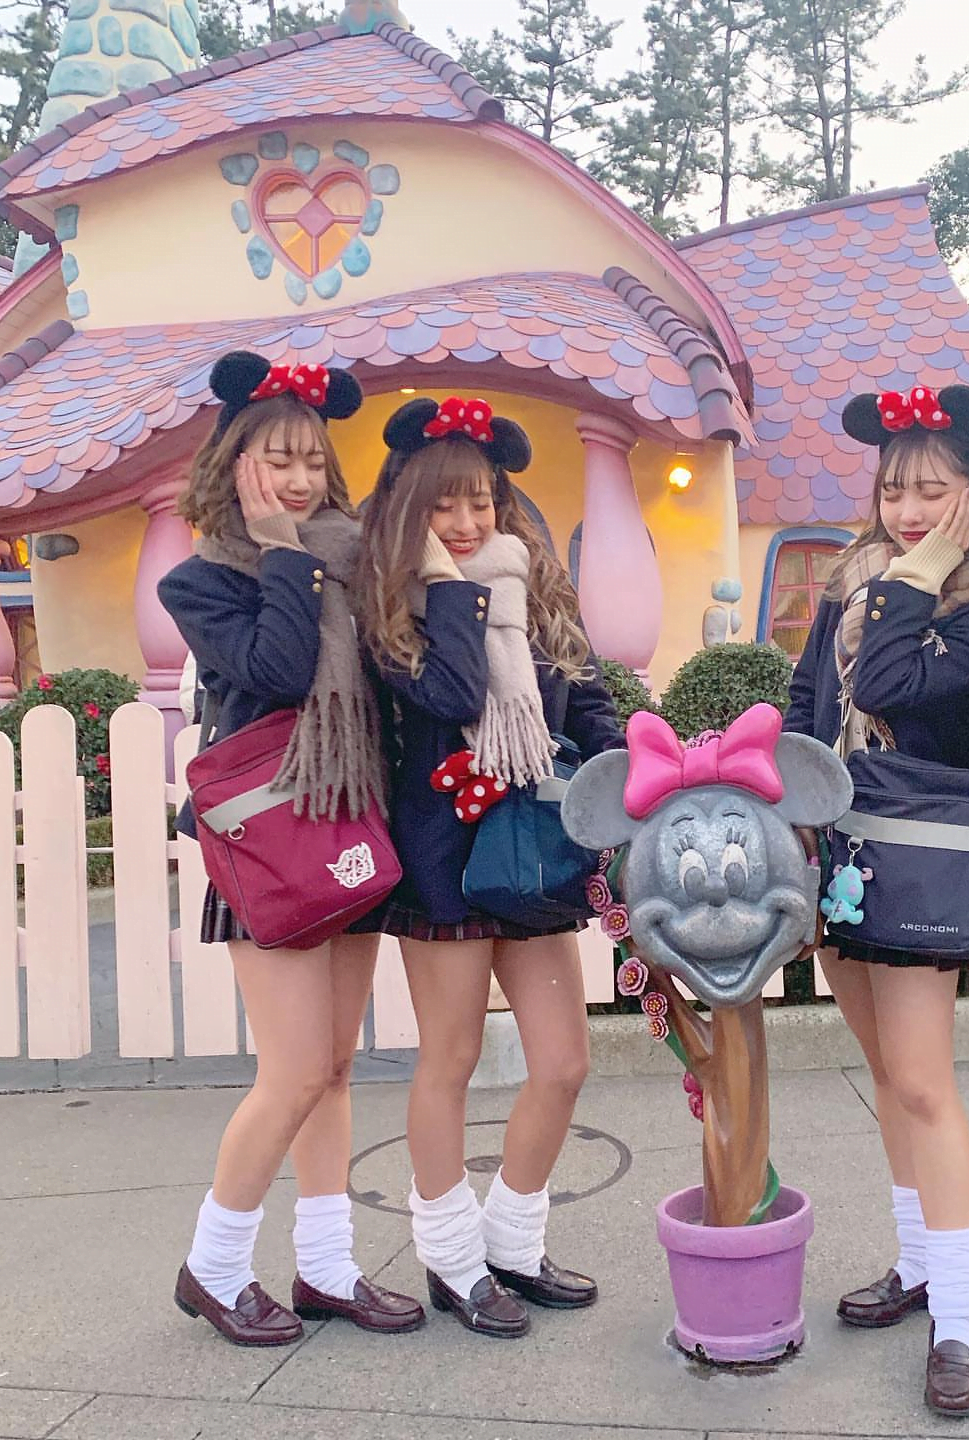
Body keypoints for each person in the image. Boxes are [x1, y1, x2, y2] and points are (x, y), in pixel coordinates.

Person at [158, 352, 425, 1345]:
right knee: (295, 1070)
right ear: (234, 462)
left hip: (349, 822)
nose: (302, 479)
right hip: (270, 840)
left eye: (314, 460)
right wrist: (281, 554)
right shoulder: (201, 581)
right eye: (279, 460)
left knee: (336, 1068)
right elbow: (276, 670)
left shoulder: (351, 558)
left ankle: (327, 1268)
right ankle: (215, 1267)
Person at [355, 396, 623, 1339]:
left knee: (563, 1061)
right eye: (444, 506)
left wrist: (629, 769)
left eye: (481, 502)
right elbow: (453, 689)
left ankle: (512, 1239)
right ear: (409, 509)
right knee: (453, 1059)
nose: (468, 522)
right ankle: (452, 1260)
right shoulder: (391, 604)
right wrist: (449, 589)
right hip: (442, 854)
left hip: (532, 842)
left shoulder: (534, 585)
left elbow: (586, 695)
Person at [784, 384, 969, 1418]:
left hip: (920, 855)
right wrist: (790, 807)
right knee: (887, 1074)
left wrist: (916, 574)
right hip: (839, 845)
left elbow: (886, 687)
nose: (909, 511)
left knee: (924, 1085)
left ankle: (959, 1319)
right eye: (894, 492)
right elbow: (810, 700)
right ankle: (919, 1262)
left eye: (932, 491)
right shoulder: (852, 583)